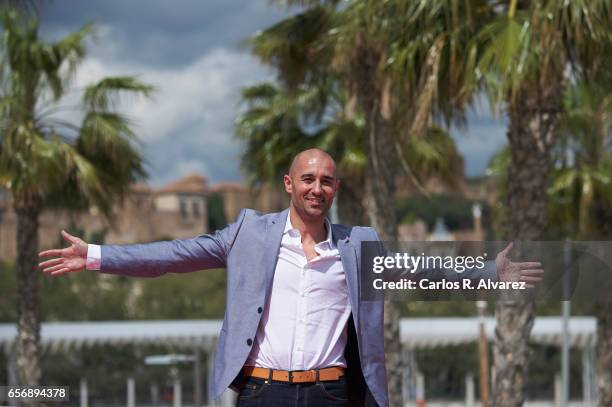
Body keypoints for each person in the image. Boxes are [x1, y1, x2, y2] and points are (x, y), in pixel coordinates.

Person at [39, 148, 543, 407]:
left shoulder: (357, 243)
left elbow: (415, 271)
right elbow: (174, 253)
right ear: (289, 184)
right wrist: (96, 256)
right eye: (307, 179)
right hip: (264, 394)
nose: (316, 188)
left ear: (335, 188)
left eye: (326, 180)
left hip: (332, 394)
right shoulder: (248, 234)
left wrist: (489, 273)